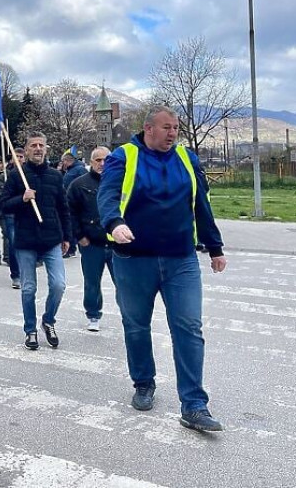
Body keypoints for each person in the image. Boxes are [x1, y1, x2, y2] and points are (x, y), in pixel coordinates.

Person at [98, 104, 227, 433]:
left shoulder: (187, 158)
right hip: (133, 259)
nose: (173, 133)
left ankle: (194, 404)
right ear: (148, 128)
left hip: (180, 258)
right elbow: (107, 196)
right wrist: (114, 223)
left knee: (189, 327)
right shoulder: (123, 157)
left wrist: (214, 247)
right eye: (167, 127)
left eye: (176, 128)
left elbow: (201, 203)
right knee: (137, 326)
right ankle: (143, 383)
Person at [1, 132, 71, 351]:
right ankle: (30, 329)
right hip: (26, 240)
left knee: (59, 284)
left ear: (46, 149)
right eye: (33, 145)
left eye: (41, 145)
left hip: (51, 237)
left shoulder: (55, 175)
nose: (38, 148)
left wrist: (68, 236)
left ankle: (48, 320)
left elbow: (63, 208)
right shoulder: (16, 176)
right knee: (28, 288)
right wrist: (22, 199)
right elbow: (2, 204)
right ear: (27, 150)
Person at [66, 146, 115, 332]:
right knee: (92, 282)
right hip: (91, 243)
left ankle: (131, 315)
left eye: (106, 160)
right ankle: (93, 315)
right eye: (98, 160)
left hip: (118, 244)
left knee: (125, 283)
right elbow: (71, 212)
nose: (102, 164)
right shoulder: (79, 184)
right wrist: (79, 236)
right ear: (91, 162)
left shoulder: (121, 181)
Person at [3, 147, 24, 288]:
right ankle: (15, 274)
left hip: (26, 213)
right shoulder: (5, 173)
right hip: (11, 213)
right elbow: (0, 194)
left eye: (21, 156)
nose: (19, 159)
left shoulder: (28, 173)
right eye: (16, 156)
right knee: (13, 242)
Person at [61, 146, 86, 258]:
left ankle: (71, 248)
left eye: (64, 161)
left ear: (69, 160)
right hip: (68, 201)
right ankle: (71, 248)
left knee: (72, 225)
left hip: (76, 201)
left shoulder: (79, 169)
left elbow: (84, 184)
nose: (63, 163)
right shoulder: (70, 170)